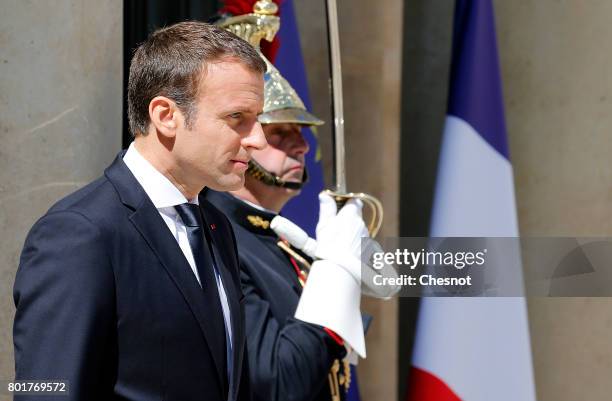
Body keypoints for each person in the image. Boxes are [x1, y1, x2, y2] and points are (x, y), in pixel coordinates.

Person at [13, 21, 266, 401]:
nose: (258, 138)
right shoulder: (81, 234)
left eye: (257, 119)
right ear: (166, 115)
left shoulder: (215, 226)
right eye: (236, 118)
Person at [206, 5, 369, 401]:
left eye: (299, 133)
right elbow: (276, 382)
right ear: (246, 141)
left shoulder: (280, 243)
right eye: (280, 134)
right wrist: (334, 277)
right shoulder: (219, 241)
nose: (301, 145)